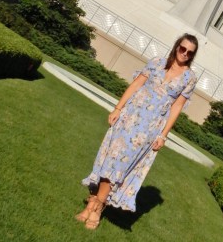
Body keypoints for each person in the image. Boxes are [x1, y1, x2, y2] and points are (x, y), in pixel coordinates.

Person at [75, 33, 199, 230]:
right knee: (111, 158)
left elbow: (177, 107)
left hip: (149, 128)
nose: (184, 54)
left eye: (189, 53)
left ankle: (95, 207)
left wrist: (163, 134)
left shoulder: (189, 78)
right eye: (182, 49)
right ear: (176, 47)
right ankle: (94, 206)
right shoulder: (157, 62)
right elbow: (135, 85)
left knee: (120, 165)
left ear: (192, 55)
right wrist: (118, 108)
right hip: (130, 116)